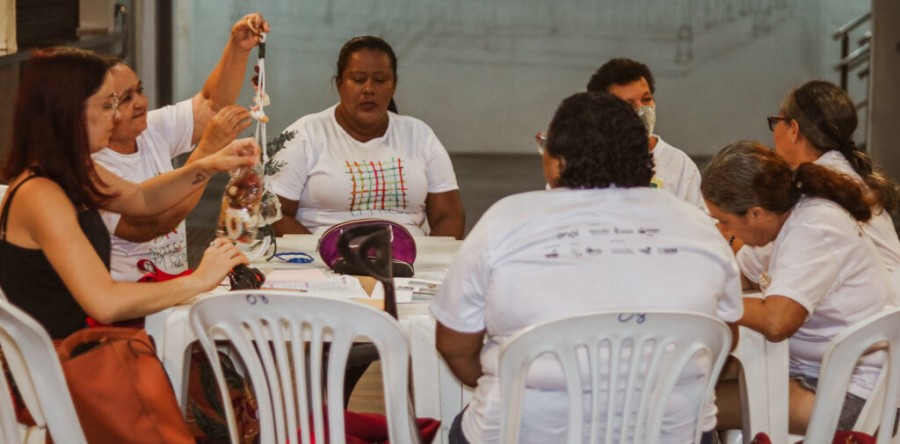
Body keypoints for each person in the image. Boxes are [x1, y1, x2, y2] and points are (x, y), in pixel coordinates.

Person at [432, 92, 743, 444]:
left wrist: (505, 380)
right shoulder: (700, 229)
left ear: (556, 162)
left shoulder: (504, 222)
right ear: (646, 160)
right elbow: (725, 336)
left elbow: (454, 344)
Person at [0, 47, 258, 339]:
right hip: (59, 362)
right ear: (70, 113)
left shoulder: (74, 170)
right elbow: (105, 303)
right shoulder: (40, 194)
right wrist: (198, 280)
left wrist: (211, 164)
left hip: (83, 344)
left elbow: (143, 199)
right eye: (107, 105)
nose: (115, 117)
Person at [702, 141, 893, 434]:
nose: (724, 231)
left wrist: (709, 300)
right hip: (813, 372)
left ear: (755, 214)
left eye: (724, 222)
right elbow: (742, 272)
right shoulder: (784, 216)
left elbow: (777, 320)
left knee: (691, 404)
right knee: (695, 376)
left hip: (853, 395)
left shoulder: (813, 227)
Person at [91, 13, 268, 282]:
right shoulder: (91, 165)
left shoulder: (150, 128)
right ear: (95, 108)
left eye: (139, 91)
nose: (140, 103)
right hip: (133, 297)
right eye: (125, 99)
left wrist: (237, 48)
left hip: (174, 286)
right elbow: (151, 223)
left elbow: (211, 106)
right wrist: (209, 152)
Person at [269, 35, 465, 239]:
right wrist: (323, 255)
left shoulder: (419, 134)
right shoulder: (305, 134)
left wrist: (428, 262)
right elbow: (276, 214)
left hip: (410, 266)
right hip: (322, 264)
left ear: (394, 85)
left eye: (380, 80)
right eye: (358, 79)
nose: (369, 89)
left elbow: (449, 217)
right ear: (339, 84)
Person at [767, 79, 900, 272]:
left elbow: (753, 259)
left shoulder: (812, 184)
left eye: (776, 122)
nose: (773, 133)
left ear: (793, 130)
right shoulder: (843, 172)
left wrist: (728, 236)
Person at [586, 57, 705, 210]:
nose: (641, 110)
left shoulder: (678, 164)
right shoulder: (584, 160)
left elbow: (698, 224)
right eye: (628, 104)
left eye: (646, 99)